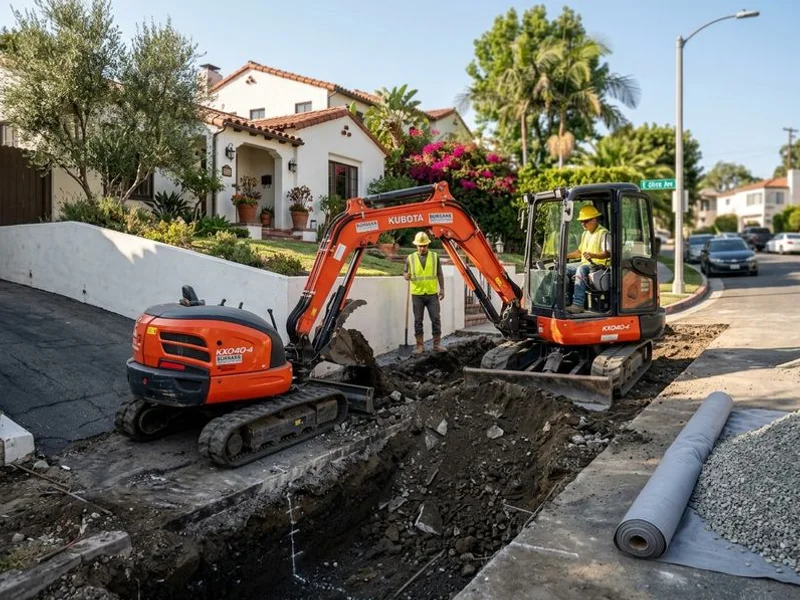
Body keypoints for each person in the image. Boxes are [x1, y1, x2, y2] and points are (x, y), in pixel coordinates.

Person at [404, 231, 446, 354]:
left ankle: (437, 345)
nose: (422, 248)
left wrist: (442, 288)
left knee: (436, 319)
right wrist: (406, 276)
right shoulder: (410, 258)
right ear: (416, 246)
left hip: (432, 294)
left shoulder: (434, 257)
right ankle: (420, 346)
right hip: (417, 295)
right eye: (420, 246)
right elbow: (405, 273)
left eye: (424, 245)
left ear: (428, 245)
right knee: (418, 321)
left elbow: (439, 273)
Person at [565, 205, 610, 314]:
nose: (582, 224)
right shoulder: (585, 234)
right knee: (563, 268)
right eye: (581, 221)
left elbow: (608, 253)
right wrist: (564, 255)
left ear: (594, 220)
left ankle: (578, 304)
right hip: (586, 264)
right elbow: (580, 252)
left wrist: (593, 255)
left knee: (581, 269)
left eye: (585, 221)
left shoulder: (603, 233)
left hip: (600, 266)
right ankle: (565, 301)